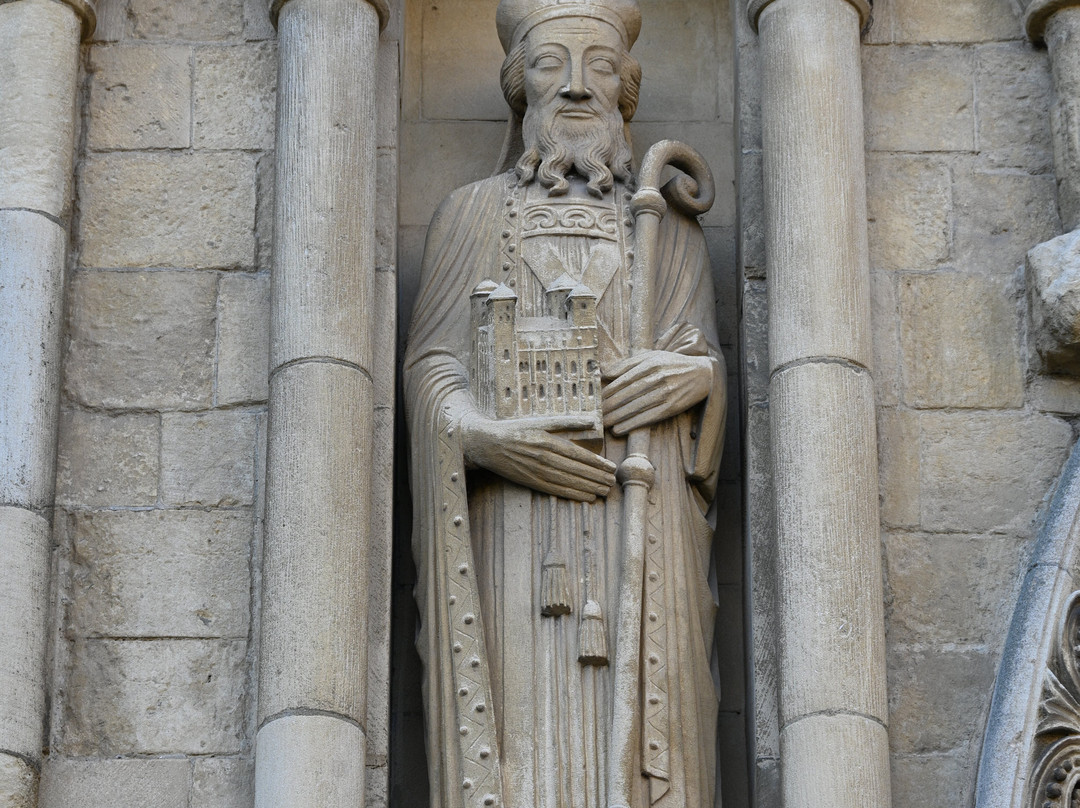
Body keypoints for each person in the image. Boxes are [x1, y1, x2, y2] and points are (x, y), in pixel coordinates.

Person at [404, 2, 727, 805]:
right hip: (515, 530)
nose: (578, 87)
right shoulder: (472, 214)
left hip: (642, 520)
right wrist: (477, 436)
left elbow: (701, 357)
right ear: (520, 86)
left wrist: (697, 383)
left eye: (603, 67)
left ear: (626, 92)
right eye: (553, 64)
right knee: (524, 748)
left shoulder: (670, 235)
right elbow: (432, 366)